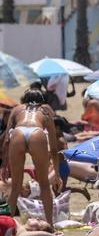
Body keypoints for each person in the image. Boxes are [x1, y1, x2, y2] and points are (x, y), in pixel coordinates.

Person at [1, 89, 62, 226]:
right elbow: (54, 148)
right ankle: (50, 225)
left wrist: (4, 165)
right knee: (44, 185)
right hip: (37, 133)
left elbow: (6, 140)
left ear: (24, 99)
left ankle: (6, 227)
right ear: (41, 100)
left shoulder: (17, 109)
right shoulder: (45, 110)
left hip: (18, 132)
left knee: (16, 187)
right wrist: (56, 174)